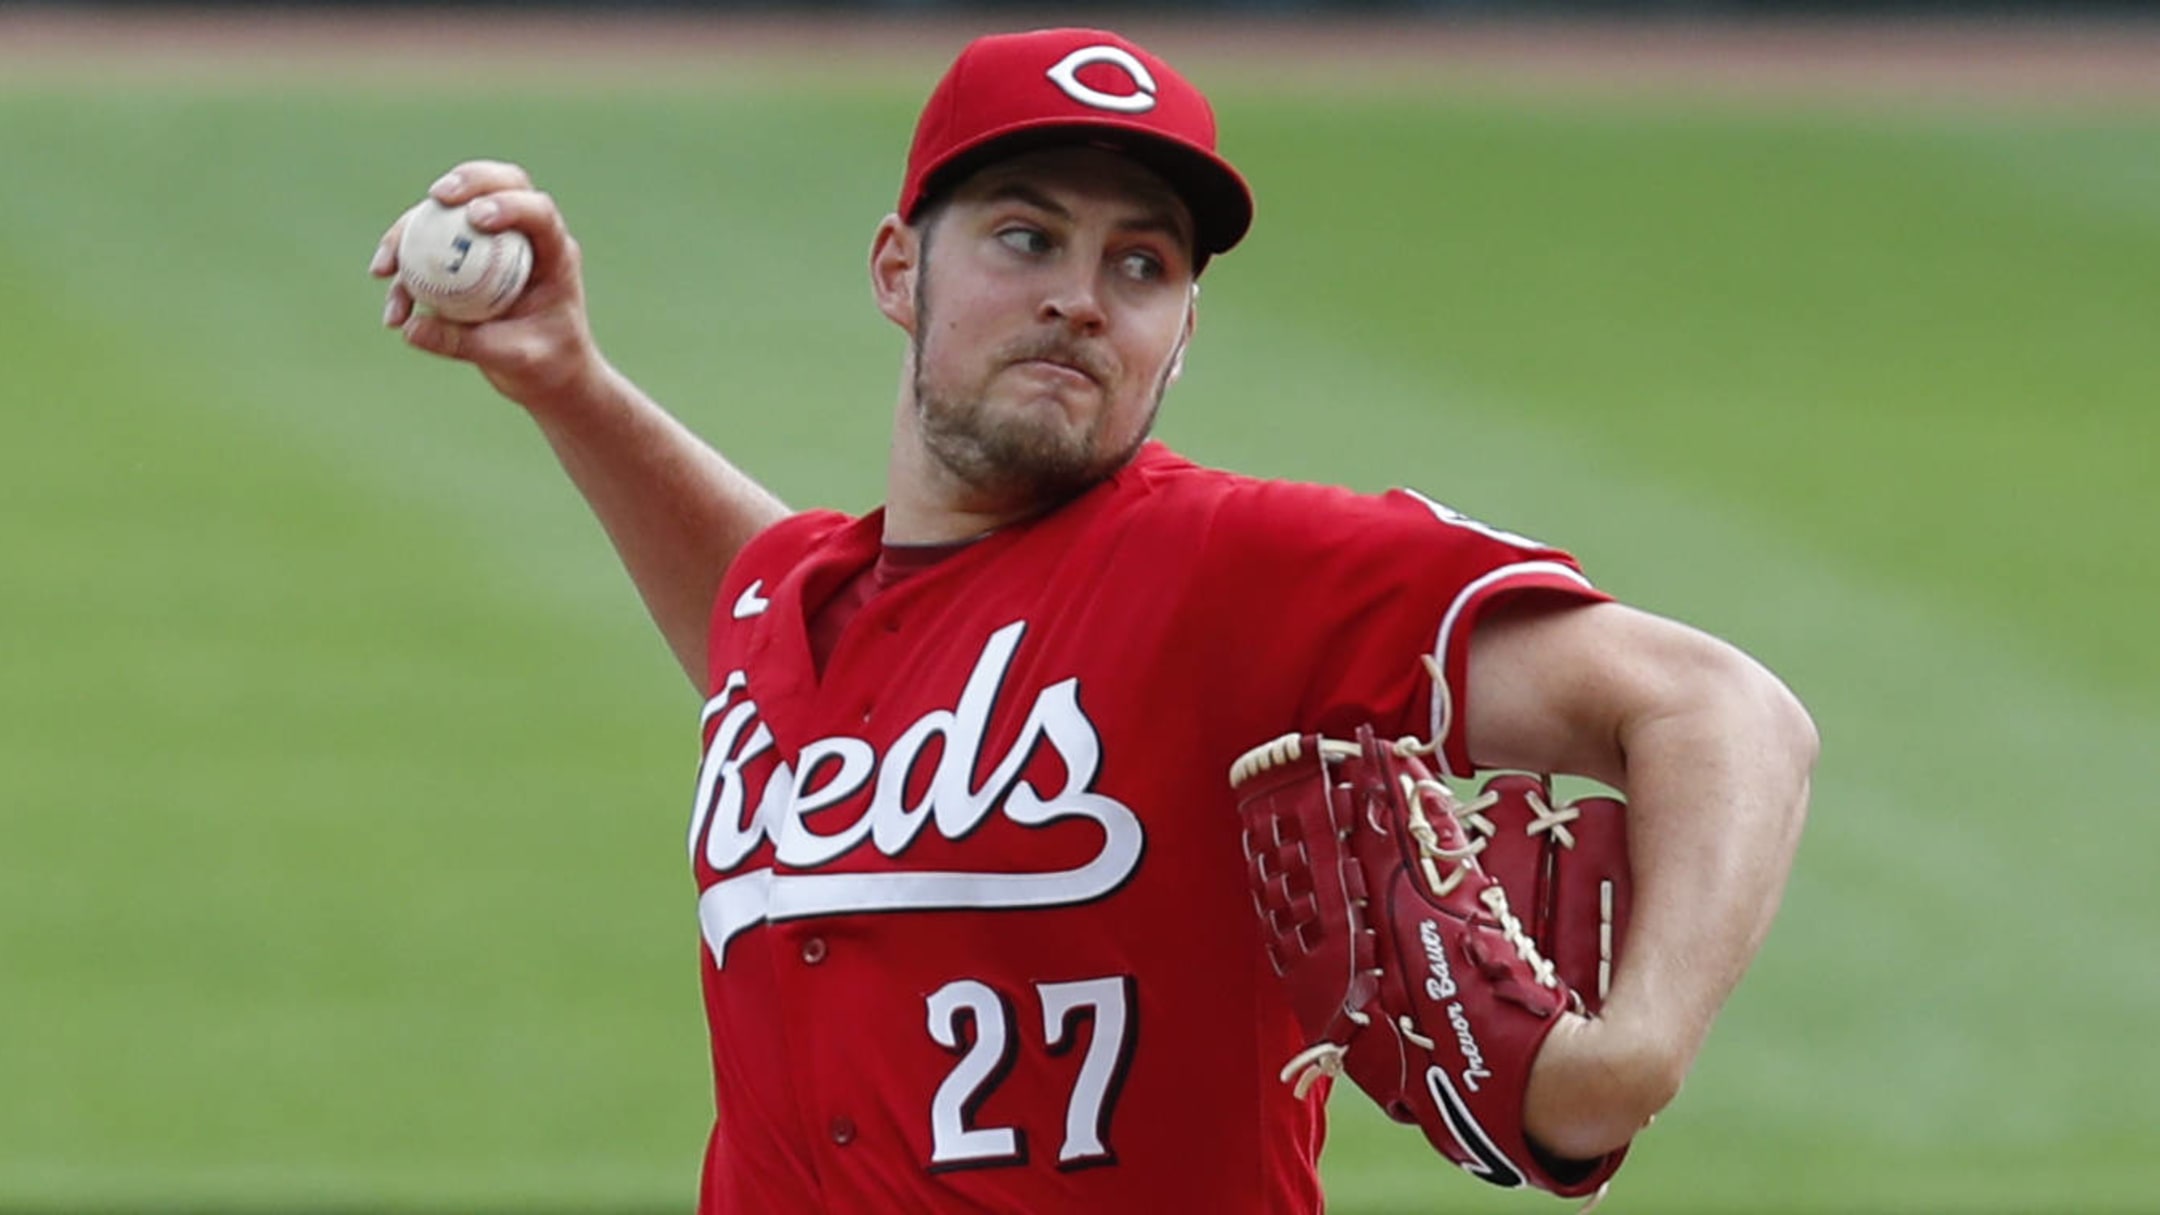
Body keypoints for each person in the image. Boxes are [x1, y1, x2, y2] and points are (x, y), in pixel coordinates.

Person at [370, 27, 1815, 1215]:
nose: (1079, 297)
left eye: (1141, 265)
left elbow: (1723, 708)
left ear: (1182, 332)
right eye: (1024, 236)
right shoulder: (801, 609)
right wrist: (567, 380)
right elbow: (774, 614)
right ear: (897, 269)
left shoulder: (1237, 566)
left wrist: (1625, 1059)